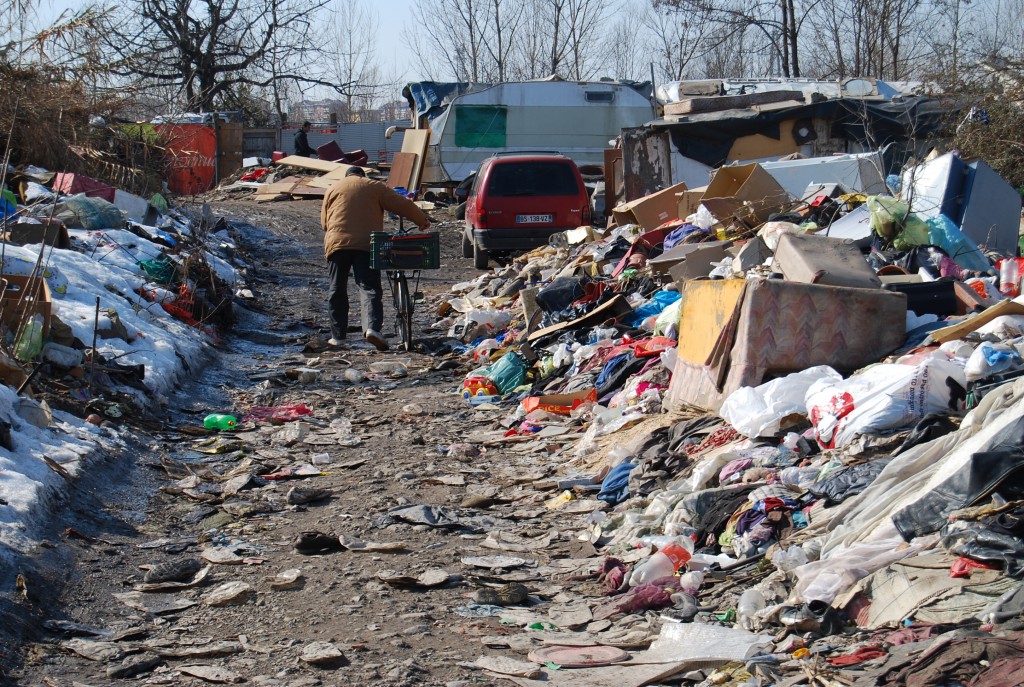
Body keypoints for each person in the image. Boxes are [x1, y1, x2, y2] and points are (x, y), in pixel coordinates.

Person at [320, 167, 430, 350]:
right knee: (369, 287)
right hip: (366, 244)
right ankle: (372, 329)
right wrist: (421, 220)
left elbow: (324, 222)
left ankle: (338, 337)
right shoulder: (374, 186)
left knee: (336, 288)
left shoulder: (333, 188)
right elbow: (402, 204)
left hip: (337, 244)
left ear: (347, 176)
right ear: (363, 176)